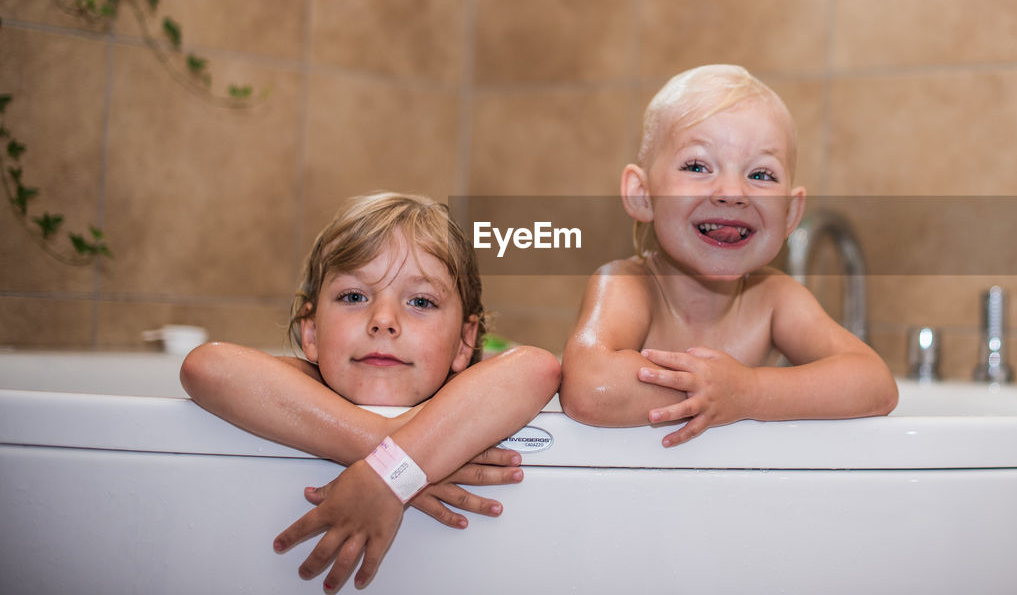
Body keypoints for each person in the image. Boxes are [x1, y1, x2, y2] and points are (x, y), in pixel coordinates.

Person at [181, 192, 560, 593]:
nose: (383, 320)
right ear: (311, 332)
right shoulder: (306, 384)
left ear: (465, 341)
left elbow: (538, 367)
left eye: (420, 301)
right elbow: (205, 366)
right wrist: (398, 466)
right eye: (354, 296)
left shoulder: (467, 394)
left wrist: (384, 475)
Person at [560, 64, 896, 447]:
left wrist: (750, 392)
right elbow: (589, 387)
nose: (733, 191)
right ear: (641, 193)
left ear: (789, 213)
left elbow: (875, 383)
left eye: (761, 175)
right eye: (698, 166)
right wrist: (716, 394)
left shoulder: (774, 298)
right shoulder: (628, 285)